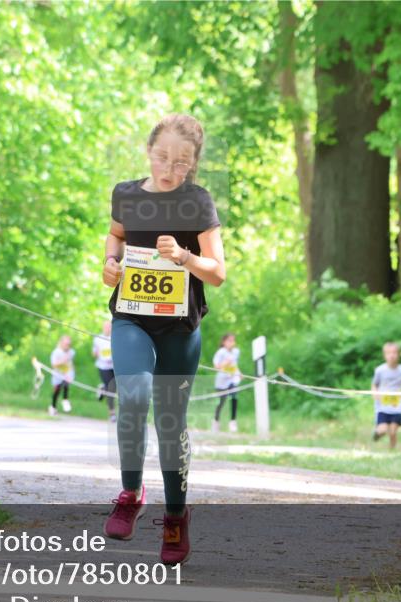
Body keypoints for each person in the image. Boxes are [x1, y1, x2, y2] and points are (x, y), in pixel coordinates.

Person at [101, 113, 226, 566]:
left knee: (170, 422)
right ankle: (131, 492)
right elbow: (114, 239)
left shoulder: (198, 202)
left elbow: (218, 272)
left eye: (181, 161)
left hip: (180, 326)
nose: (169, 168)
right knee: (132, 395)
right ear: (148, 151)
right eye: (161, 157)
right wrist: (109, 266)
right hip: (131, 317)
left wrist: (186, 256)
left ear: (192, 164)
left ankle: (176, 516)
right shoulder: (127, 194)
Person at [371, 342, 401, 450]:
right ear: (385, 355)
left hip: (397, 406)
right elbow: (374, 384)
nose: (392, 355)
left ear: (399, 354)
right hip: (382, 406)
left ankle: (392, 451)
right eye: (389, 353)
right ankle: (377, 434)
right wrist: (375, 393)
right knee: (382, 430)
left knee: (393, 431)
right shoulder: (380, 370)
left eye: (394, 353)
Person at [212, 333, 242, 433]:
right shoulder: (221, 352)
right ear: (224, 342)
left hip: (232, 379)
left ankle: (233, 421)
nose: (231, 343)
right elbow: (216, 366)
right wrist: (225, 363)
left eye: (233, 340)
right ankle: (216, 421)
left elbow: (235, 365)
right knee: (221, 402)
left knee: (234, 396)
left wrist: (239, 373)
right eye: (229, 340)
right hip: (221, 381)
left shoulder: (236, 352)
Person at [92, 321, 117, 422]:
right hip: (103, 367)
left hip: (114, 367)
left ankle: (102, 388)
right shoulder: (98, 339)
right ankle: (112, 413)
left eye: (109, 327)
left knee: (113, 388)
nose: (108, 329)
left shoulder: (115, 338)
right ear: (103, 328)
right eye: (106, 327)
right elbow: (94, 353)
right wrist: (97, 354)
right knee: (111, 388)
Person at [49, 335, 76, 416]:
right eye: (65, 344)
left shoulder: (72, 352)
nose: (67, 346)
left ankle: (65, 400)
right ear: (61, 343)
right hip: (58, 373)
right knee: (57, 390)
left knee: (65, 385)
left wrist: (72, 374)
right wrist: (62, 361)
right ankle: (53, 407)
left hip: (67, 373)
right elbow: (53, 365)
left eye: (68, 344)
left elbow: (71, 363)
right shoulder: (56, 352)